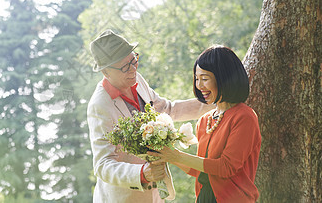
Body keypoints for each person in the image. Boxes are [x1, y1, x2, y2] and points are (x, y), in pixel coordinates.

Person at [87, 29, 214, 202]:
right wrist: (141, 173)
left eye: (134, 60)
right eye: (125, 67)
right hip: (124, 198)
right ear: (106, 73)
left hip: (156, 195)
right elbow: (102, 165)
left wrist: (215, 101)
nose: (133, 69)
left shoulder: (137, 80)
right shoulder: (99, 105)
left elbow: (168, 109)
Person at [148, 45, 261, 203]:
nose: (199, 86)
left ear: (223, 78)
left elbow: (225, 168)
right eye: (196, 78)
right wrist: (168, 155)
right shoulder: (205, 120)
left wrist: (178, 156)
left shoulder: (244, 117)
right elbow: (202, 170)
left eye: (205, 79)